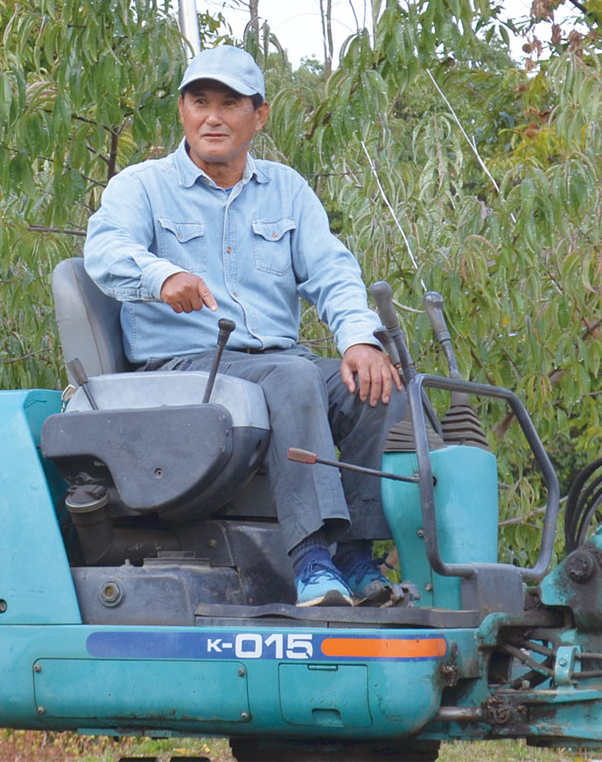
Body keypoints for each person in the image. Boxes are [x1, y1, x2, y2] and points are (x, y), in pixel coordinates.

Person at [84, 44, 406, 607]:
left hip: (276, 361)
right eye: (199, 101)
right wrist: (161, 276)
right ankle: (309, 561)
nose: (213, 116)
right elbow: (105, 251)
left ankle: (355, 552)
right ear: (182, 111)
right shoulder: (142, 186)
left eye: (230, 103)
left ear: (259, 115)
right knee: (291, 377)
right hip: (184, 370)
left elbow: (331, 269)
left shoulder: (286, 189)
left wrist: (358, 339)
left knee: (375, 382)